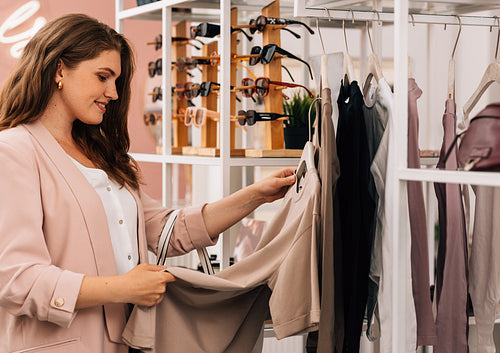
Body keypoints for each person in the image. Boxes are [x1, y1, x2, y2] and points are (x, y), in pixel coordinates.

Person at [0, 14, 296, 353]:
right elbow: (16, 279)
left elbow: (169, 229)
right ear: (59, 70)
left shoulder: (102, 156)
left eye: (116, 80)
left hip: (129, 342)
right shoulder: (14, 152)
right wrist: (122, 289)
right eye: (103, 76)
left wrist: (255, 196)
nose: (112, 93)